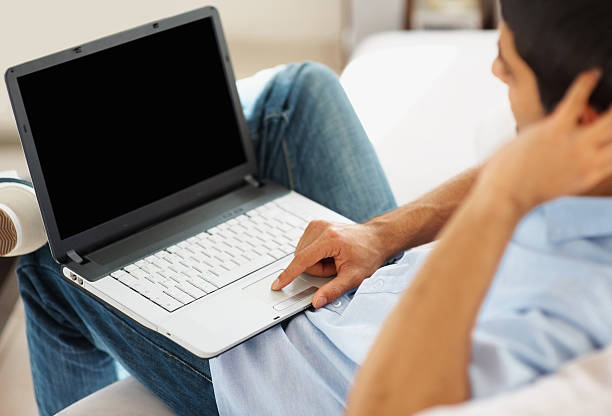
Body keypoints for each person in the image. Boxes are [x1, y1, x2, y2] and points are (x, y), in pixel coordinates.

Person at [7, 0, 612, 415]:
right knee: (299, 93)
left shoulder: (577, 309)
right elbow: (511, 159)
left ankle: (51, 192)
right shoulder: (581, 153)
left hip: (295, 371)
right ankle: (182, 191)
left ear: (582, 116)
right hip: (373, 283)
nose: (494, 66)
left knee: (51, 254)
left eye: (511, 62)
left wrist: (503, 199)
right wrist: (380, 235)